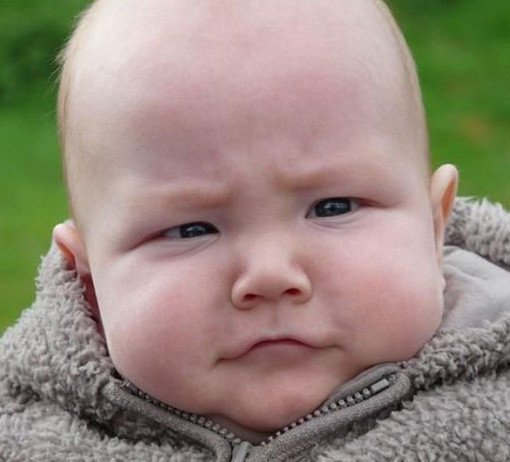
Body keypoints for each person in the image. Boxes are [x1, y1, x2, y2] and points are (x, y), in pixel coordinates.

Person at [1, 0, 509, 460]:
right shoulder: (27, 437)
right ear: (87, 279)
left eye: (332, 207)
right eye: (190, 229)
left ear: (433, 229)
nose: (270, 275)